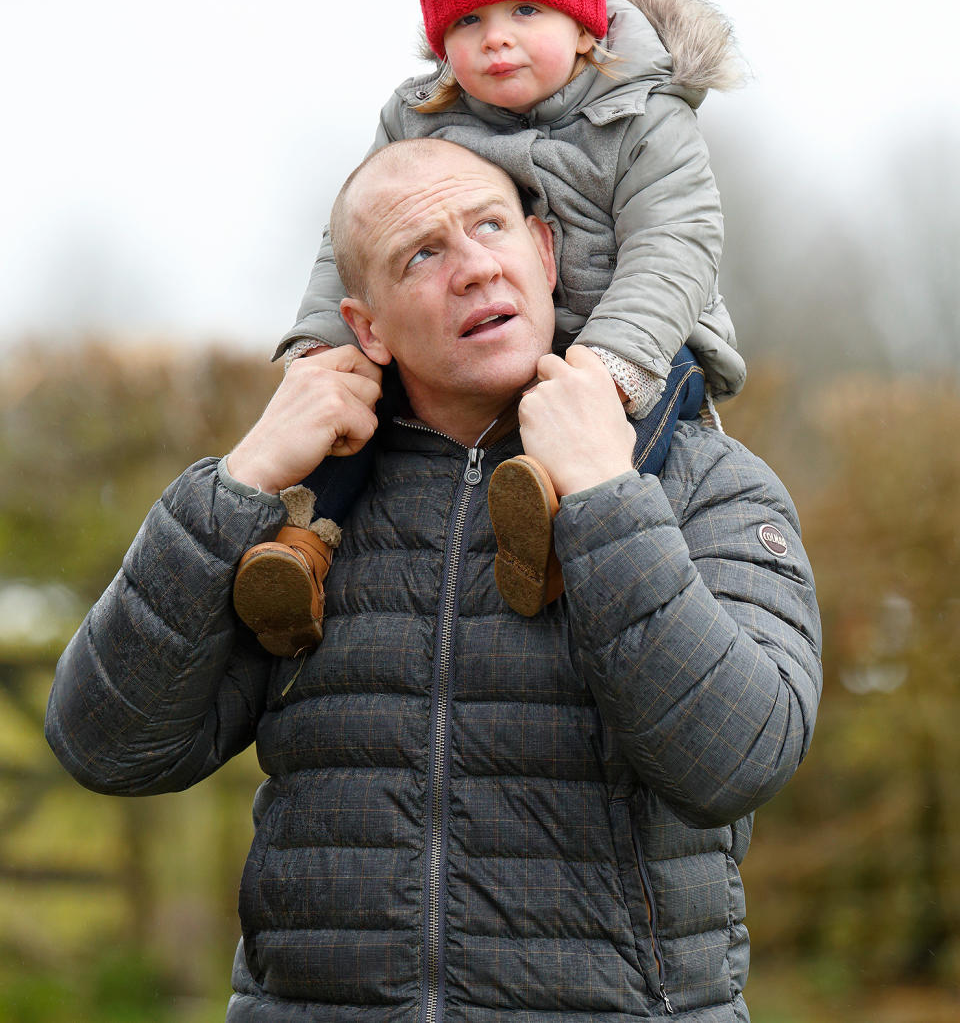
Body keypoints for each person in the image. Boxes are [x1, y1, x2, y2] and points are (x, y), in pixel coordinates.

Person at [46, 138, 821, 1023]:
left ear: (543, 251)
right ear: (365, 326)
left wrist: (608, 499)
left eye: (489, 227)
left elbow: (740, 758)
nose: (474, 268)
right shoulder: (299, 511)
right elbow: (106, 746)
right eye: (422, 254)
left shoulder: (705, 482)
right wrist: (241, 480)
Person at [232, 0, 747, 649]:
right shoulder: (419, 117)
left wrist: (609, 363)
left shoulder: (644, 115)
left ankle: (556, 529)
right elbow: (346, 240)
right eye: (468, 22)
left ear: (585, 22)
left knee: (648, 419)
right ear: (440, 37)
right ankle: (303, 547)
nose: (496, 37)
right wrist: (322, 346)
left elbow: (677, 240)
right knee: (363, 410)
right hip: (471, 349)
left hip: (634, 344)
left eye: (524, 9)